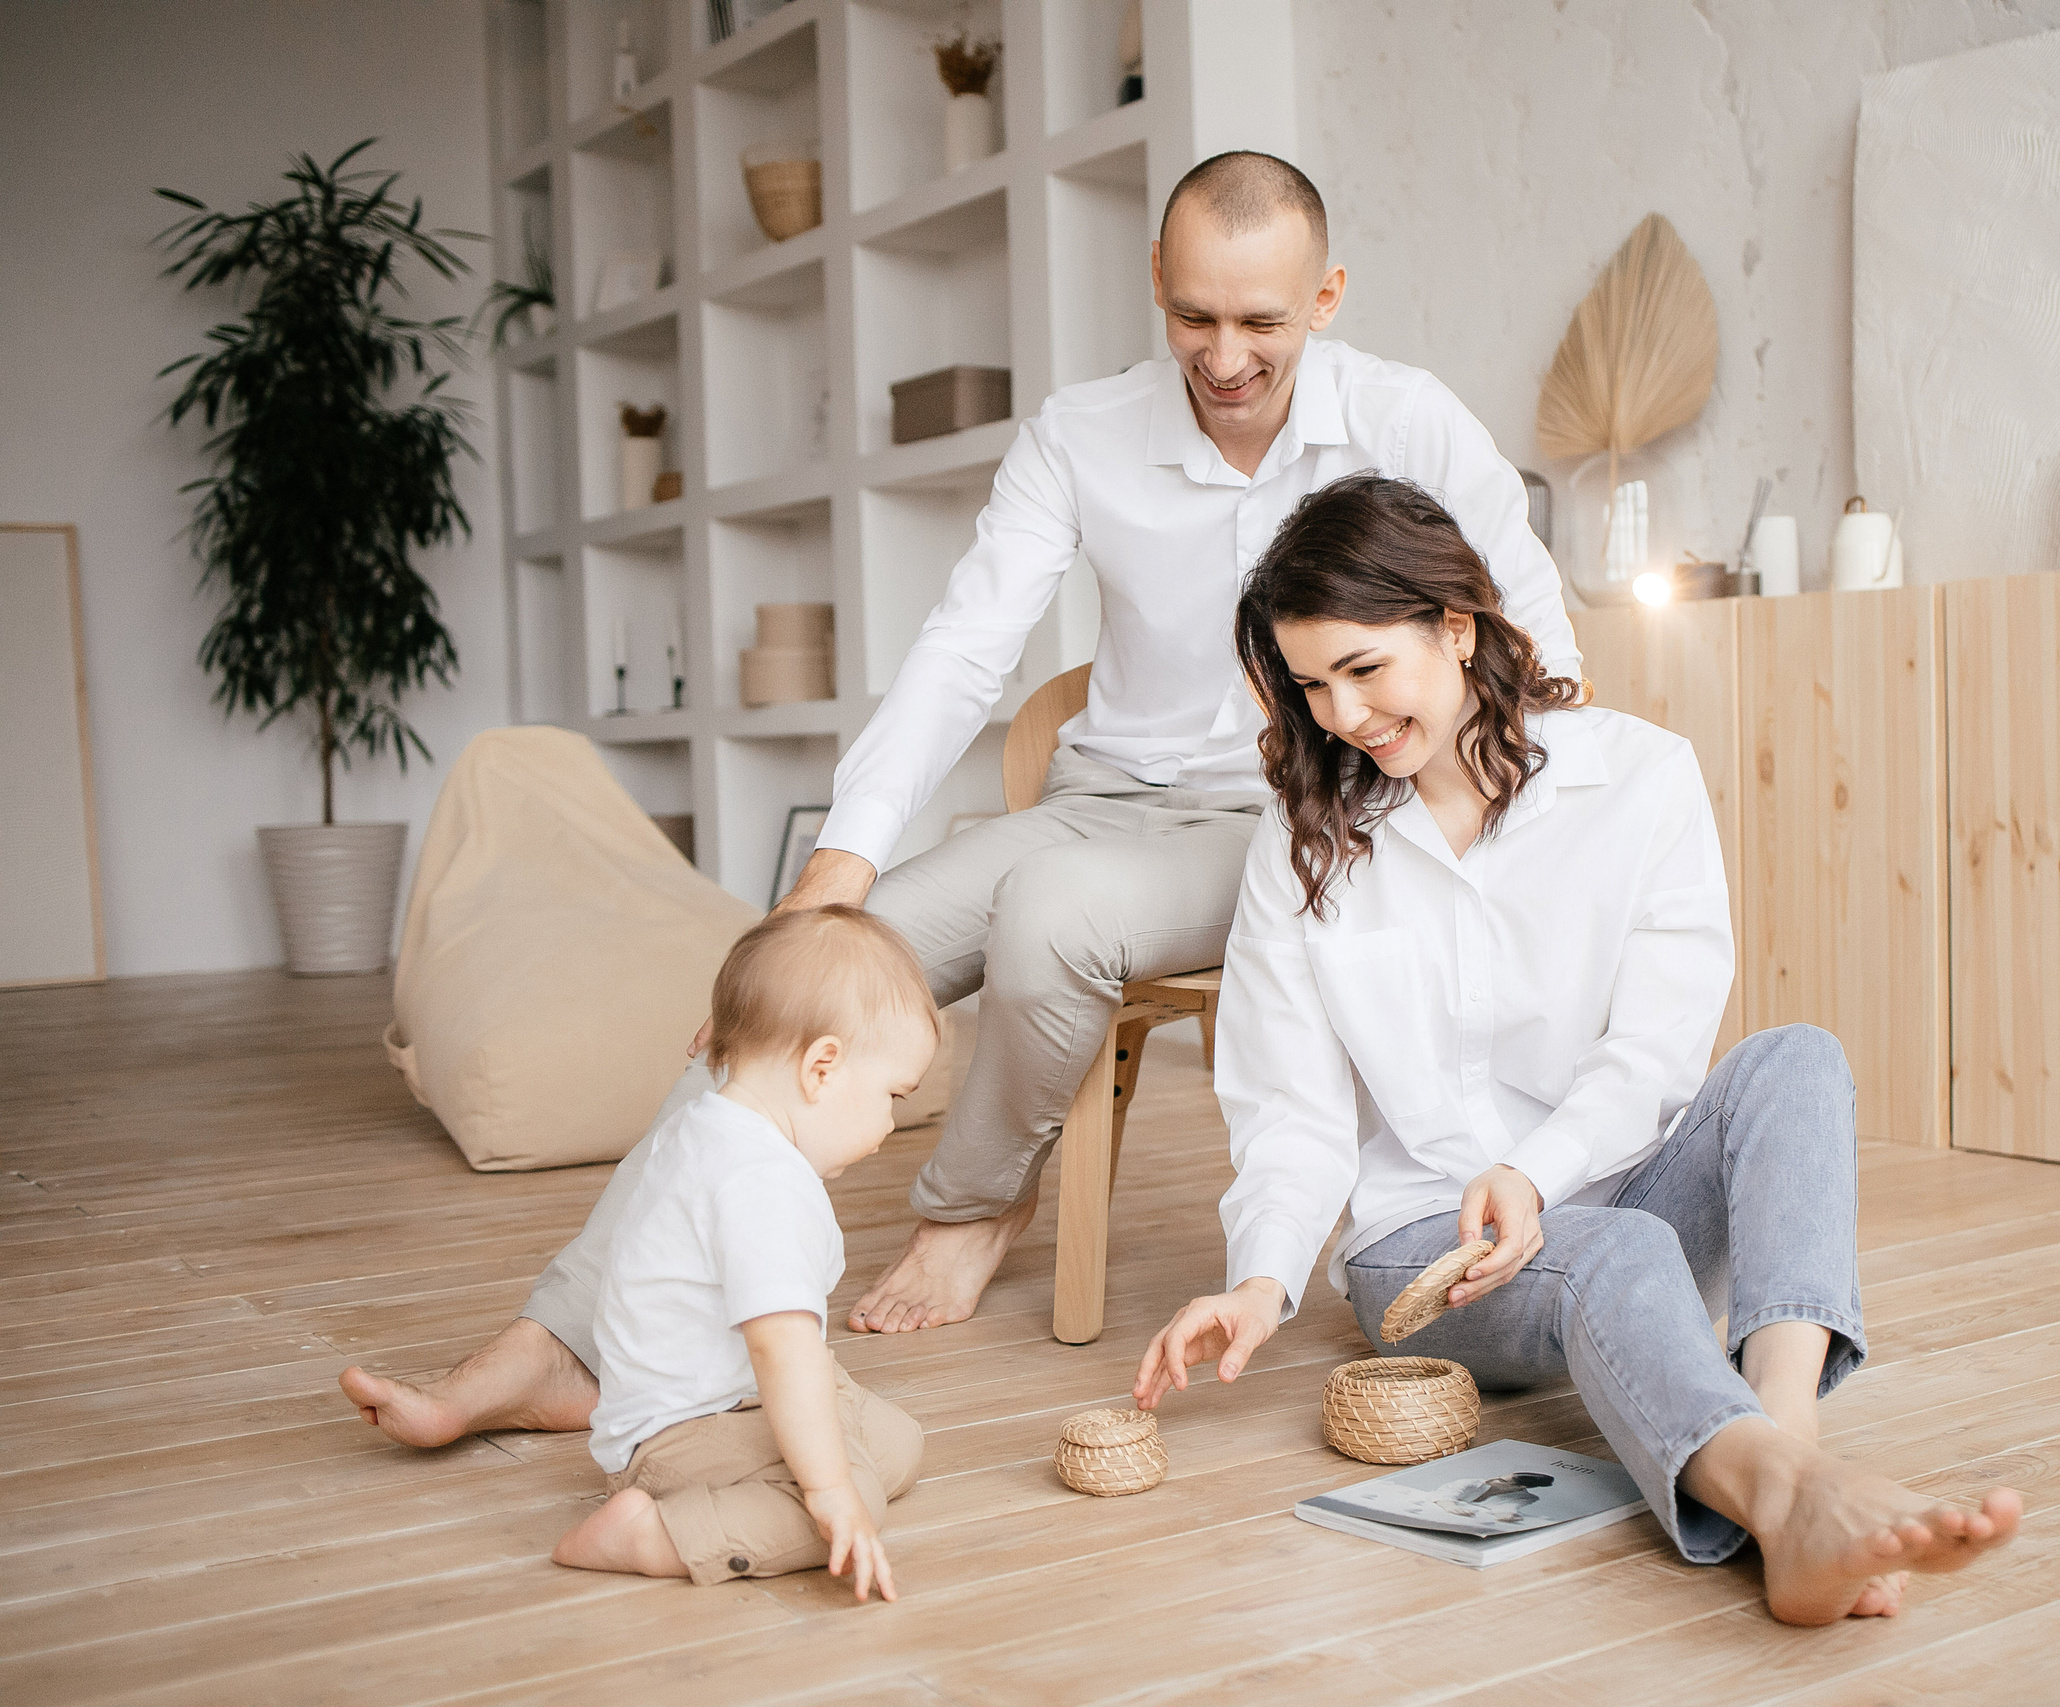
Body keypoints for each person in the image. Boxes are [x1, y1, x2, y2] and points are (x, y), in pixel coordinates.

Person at [340, 149, 1578, 1447]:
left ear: (1324, 298)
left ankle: (972, 1205)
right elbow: (962, 649)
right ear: (1156, 280)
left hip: (1272, 824)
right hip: (1097, 799)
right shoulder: (1082, 432)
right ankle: (555, 1342)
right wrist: (844, 859)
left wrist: (1485, 831)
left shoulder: (1410, 417)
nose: (1223, 355)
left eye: (1261, 321)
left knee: (1050, 910)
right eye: (1194, 315)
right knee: (783, 979)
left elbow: (1537, 630)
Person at [1130, 475, 2022, 1627]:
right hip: (1427, 1253)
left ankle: (1788, 1447)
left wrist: (1540, 1172)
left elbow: (1656, 1051)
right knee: (1610, 1253)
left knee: (1795, 1058)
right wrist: (1257, 1281)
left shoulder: (1638, 776)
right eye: (1311, 687)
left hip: (1612, 1186)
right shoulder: (1305, 844)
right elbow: (1289, 1110)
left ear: (1454, 626)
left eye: (1363, 670)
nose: (1342, 717)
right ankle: (1783, 1501)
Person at [550, 906, 937, 1596]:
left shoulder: (710, 1124)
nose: (889, 1123)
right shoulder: (763, 1185)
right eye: (891, 1096)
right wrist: (829, 1491)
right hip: (685, 1432)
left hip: (730, 1397)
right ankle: (648, 1534)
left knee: (899, 1444)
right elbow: (781, 1348)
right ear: (822, 1067)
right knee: (857, 1501)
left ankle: (815, 1456)